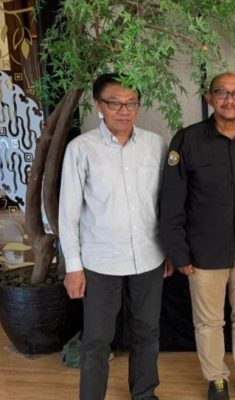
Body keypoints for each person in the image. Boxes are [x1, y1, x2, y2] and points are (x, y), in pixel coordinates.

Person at [159, 72, 235, 400]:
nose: (230, 99)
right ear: (209, 97)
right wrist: (178, 250)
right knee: (208, 321)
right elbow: (172, 199)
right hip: (204, 250)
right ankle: (216, 378)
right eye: (222, 93)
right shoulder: (187, 140)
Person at [59, 73, 170, 400]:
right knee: (96, 339)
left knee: (147, 332)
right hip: (99, 261)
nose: (124, 111)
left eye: (131, 103)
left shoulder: (155, 145)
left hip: (149, 257)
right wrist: (73, 266)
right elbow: (68, 213)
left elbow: (164, 203)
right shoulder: (81, 149)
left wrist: (169, 250)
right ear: (98, 105)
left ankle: (145, 393)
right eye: (115, 103)